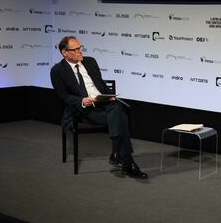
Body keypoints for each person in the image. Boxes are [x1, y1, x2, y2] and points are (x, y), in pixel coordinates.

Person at [50, 36, 148, 179]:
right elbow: (63, 96)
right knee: (121, 115)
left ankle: (117, 153)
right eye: (75, 49)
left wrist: (108, 96)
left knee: (118, 106)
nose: (79, 51)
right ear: (64, 52)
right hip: (82, 110)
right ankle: (125, 160)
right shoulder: (57, 70)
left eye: (80, 48)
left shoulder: (90, 62)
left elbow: (100, 85)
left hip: (102, 104)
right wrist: (82, 101)